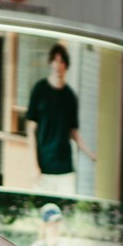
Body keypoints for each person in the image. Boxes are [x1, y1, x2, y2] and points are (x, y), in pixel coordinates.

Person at [25, 42, 96, 196]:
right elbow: (31, 130)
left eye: (62, 61)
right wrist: (33, 165)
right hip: (43, 167)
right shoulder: (39, 90)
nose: (58, 65)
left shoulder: (70, 96)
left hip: (65, 169)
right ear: (50, 63)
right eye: (55, 61)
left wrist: (91, 154)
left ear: (66, 66)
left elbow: (74, 132)